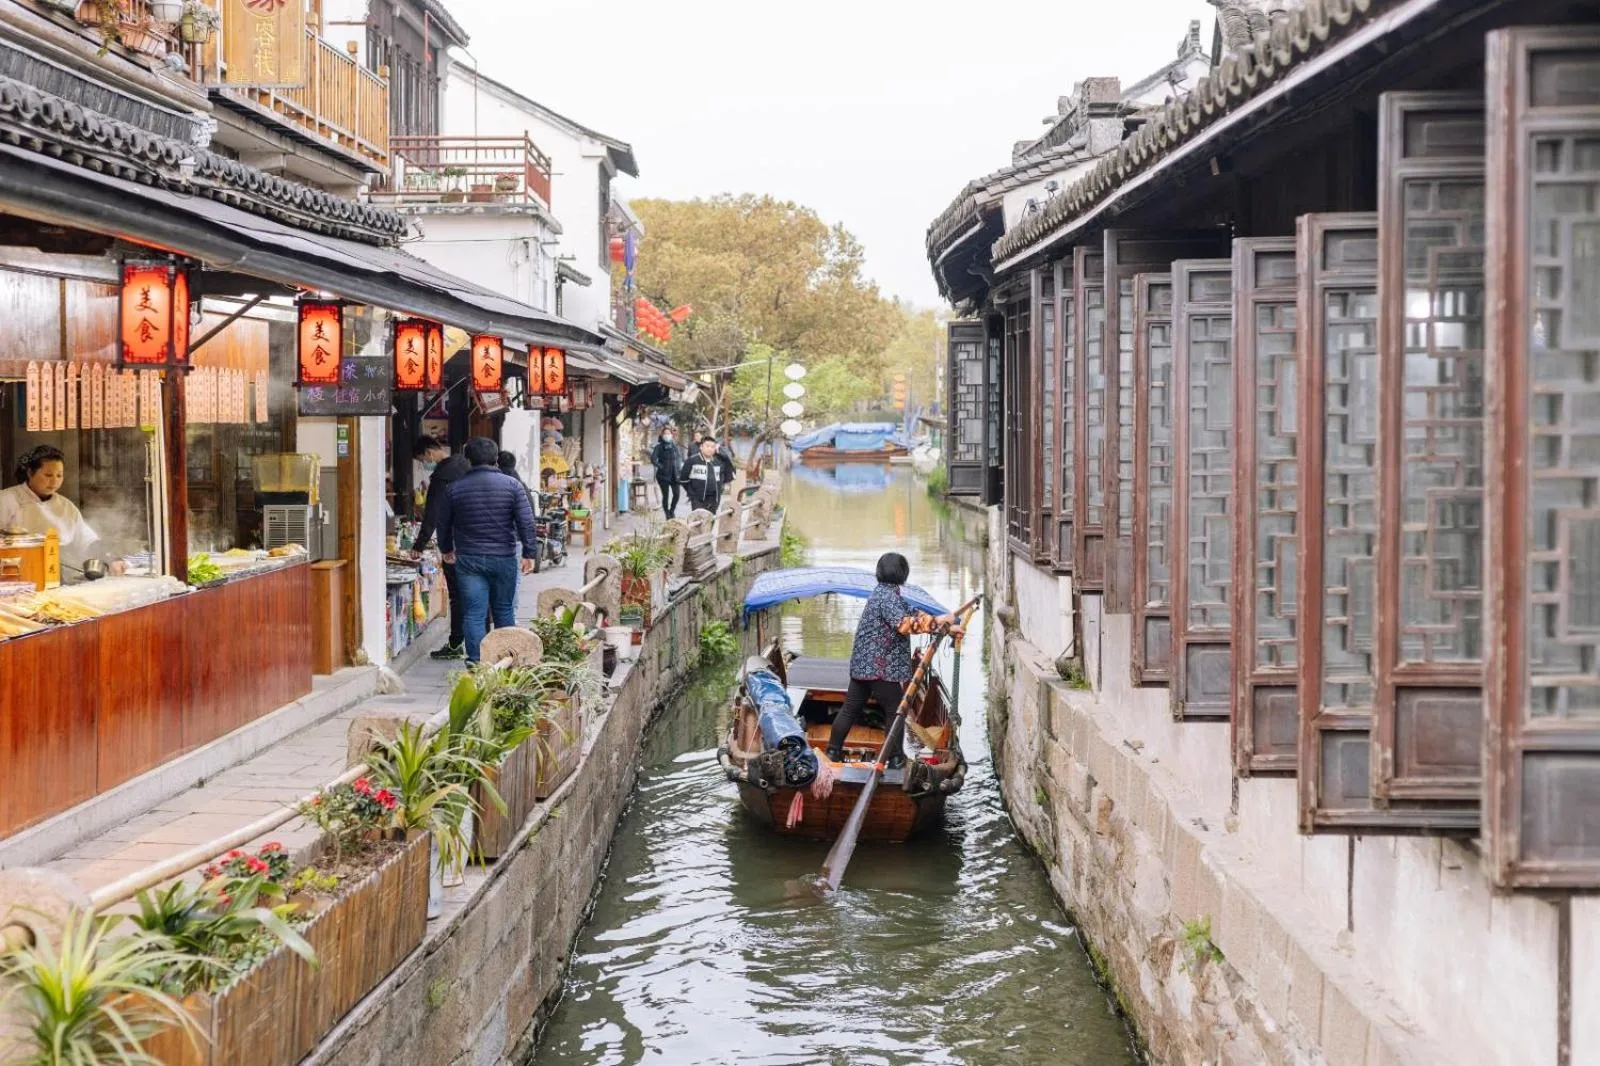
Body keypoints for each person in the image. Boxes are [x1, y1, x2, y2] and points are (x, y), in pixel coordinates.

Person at [826, 552, 955, 762]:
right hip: (880, 669)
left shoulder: (883, 594)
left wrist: (946, 625)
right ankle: (895, 758)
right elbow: (906, 625)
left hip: (863, 667)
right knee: (895, 711)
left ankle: (833, 750)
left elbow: (914, 615)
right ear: (903, 574)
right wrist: (939, 619)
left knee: (850, 708)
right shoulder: (888, 597)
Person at [436, 437, 537, 664]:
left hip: (469, 559)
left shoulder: (454, 488)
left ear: (468, 460)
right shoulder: (513, 486)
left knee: (473, 613)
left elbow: (442, 523)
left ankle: (476, 662)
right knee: (504, 609)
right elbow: (526, 521)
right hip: (504, 558)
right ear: (495, 459)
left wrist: (446, 549)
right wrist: (530, 553)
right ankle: (505, 659)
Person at [0, 445, 121, 571]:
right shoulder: (6, 499)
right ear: (30, 473)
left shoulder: (65, 506)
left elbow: (86, 539)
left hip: (60, 573)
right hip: (17, 571)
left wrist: (110, 559)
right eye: (48, 475)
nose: (54, 482)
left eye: (59, 476)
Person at [412, 448, 471, 660]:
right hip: (483, 547)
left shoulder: (441, 479)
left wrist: (419, 545)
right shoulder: (469, 473)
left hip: (456, 548)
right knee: (480, 596)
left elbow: (433, 516)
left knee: (458, 596)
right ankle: (485, 645)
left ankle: (456, 644)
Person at [679, 436, 724, 514]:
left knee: (710, 522)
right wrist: (692, 494)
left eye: (712, 447)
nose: (710, 449)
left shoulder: (717, 462)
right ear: (701, 447)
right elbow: (683, 479)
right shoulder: (692, 461)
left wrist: (719, 493)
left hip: (713, 500)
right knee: (699, 522)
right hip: (698, 500)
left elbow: (721, 479)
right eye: (707, 446)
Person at [649, 426, 682, 519]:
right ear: (662, 435)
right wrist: (661, 466)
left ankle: (672, 510)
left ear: (671, 435)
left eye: (669, 433)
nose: (667, 435)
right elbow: (653, 459)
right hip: (663, 475)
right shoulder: (659, 447)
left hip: (674, 474)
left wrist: (679, 468)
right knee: (666, 495)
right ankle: (667, 513)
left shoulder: (675, 446)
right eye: (665, 434)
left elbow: (679, 458)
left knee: (677, 494)